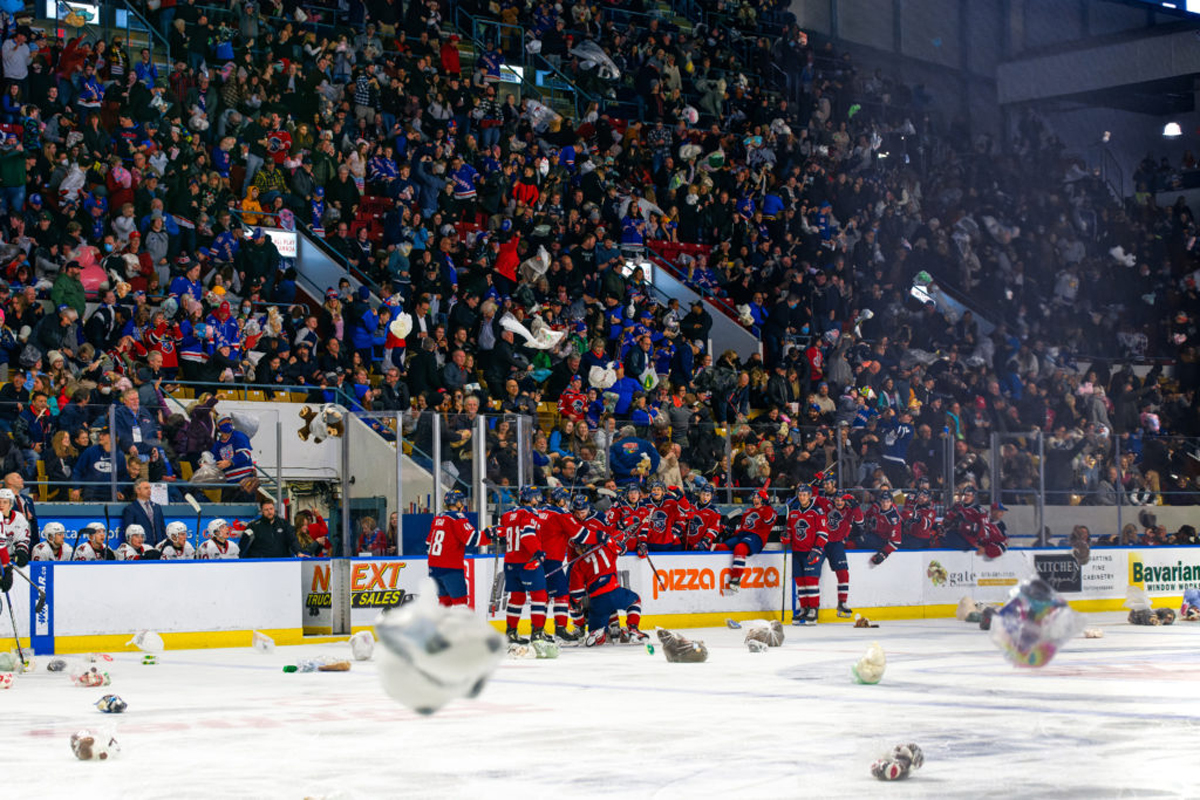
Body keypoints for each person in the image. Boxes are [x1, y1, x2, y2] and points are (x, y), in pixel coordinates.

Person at [567, 510, 648, 646]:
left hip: (597, 602)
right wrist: (627, 533)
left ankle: (597, 632)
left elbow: (576, 594)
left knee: (596, 636)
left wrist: (576, 603)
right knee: (635, 600)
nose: (577, 550)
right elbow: (620, 545)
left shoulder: (578, 565)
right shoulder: (606, 548)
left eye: (578, 548)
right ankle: (633, 629)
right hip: (614, 593)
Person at [500, 485, 549, 645]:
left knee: (517, 597)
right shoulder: (530, 514)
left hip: (510, 562)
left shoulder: (508, 514)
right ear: (530, 498)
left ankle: (511, 632)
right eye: (536, 496)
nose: (538, 498)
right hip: (527, 561)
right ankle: (537, 633)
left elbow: (502, 532)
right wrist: (538, 552)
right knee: (539, 596)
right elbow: (527, 535)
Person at [426, 489, 486, 607]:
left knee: (444, 602)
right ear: (457, 503)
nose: (463, 504)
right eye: (461, 501)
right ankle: (461, 626)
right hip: (450, 568)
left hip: (434, 568)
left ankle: (441, 626)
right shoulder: (457, 518)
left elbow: (428, 545)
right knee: (461, 603)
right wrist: (490, 534)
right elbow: (472, 539)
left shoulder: (438, 518)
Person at [536, 488, 583, 640]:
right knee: (561, 594)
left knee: (543, 596)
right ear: (560, 500)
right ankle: (560, 628)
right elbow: (578, 533)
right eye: (565, 500)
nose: (567, 503)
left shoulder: (539, 511)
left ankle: (538, 630)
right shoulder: (560, 514)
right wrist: (601, 537)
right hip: (552, 560)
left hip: (537, 558)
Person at [714, 489, 777, 594]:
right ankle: (716, 573)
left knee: (740, 548)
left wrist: (768, 507)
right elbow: (744, 528)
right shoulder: (748, 511)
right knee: (720, 548)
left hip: (757, 537)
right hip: (743, 535)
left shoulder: (769, 511)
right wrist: (732, 531)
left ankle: (736, 579)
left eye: (758, 498)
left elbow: (768, 521)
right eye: (754, 498)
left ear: (764, 500)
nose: (755, 499)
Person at [812, 492, 863, 618]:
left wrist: (856, 506)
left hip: (837, 545)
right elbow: (812, 496)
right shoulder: (827, 504)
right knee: (812, 573)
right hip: (821, 542)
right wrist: (816, 485)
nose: (839, 502)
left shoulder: (850, 511)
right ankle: (812, 606)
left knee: (843, 573)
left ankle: (842, 603)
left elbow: (860, 521)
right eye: (837, 500)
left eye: (841, 500)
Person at [783, 484, 827, 624]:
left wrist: (817, 549)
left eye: (805, 495)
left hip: (811, 551)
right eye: (800, 495)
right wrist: (786, 536)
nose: (802, 497)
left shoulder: (817, 511)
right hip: (797, 551)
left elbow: (823, 533)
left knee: (811, 581)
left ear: (809, 496)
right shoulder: (794, 510)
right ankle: (804, 609)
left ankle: (814, 609)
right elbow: (789, 529)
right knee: (800, 582)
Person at [210, 415, 257, 497]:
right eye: (224, 422)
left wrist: (230, 462)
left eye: (229, 421)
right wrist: (207, 464)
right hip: (229, 484)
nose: (227, 423)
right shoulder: (217, 445)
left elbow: (245, 454)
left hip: (245, 481)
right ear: (218, 426)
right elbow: (214, 461)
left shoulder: (239, 436)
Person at [121, 478, 167, 546]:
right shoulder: (130, 509)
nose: (149, 490)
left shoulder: (157, 507)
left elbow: (162, 528)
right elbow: (128, 531)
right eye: (146, 488)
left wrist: (163, 544)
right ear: (137, 490)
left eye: (150, 488)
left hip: (158, 546)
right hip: (142, 547)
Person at [862, 491, 903, 564]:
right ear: (880, 501)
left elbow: (896, 542)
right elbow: (867, 515)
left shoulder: (893, 519)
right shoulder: (876, 506)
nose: (885, 504)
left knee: (859, 540)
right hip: (872, 533)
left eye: (888, 502)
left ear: (891, 502)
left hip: (882, 540)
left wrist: (884, 554)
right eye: (883, 501)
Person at [683, 482, 722, 550]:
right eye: (703, 494)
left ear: (711, 496)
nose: (705, 497)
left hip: (701, 545)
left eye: (708, 495)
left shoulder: (714, 511)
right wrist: (685, 517)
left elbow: (714, 530)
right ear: (700, 494)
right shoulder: (691, 505)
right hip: (687, 543)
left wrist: (705, 541)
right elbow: (681, 519)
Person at [0, 487, 31, 567]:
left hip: (10, 558)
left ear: (11, 504)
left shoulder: (19, 518)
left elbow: (23, 539)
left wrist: (21, 552)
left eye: (5, 502)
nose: (1, 505)